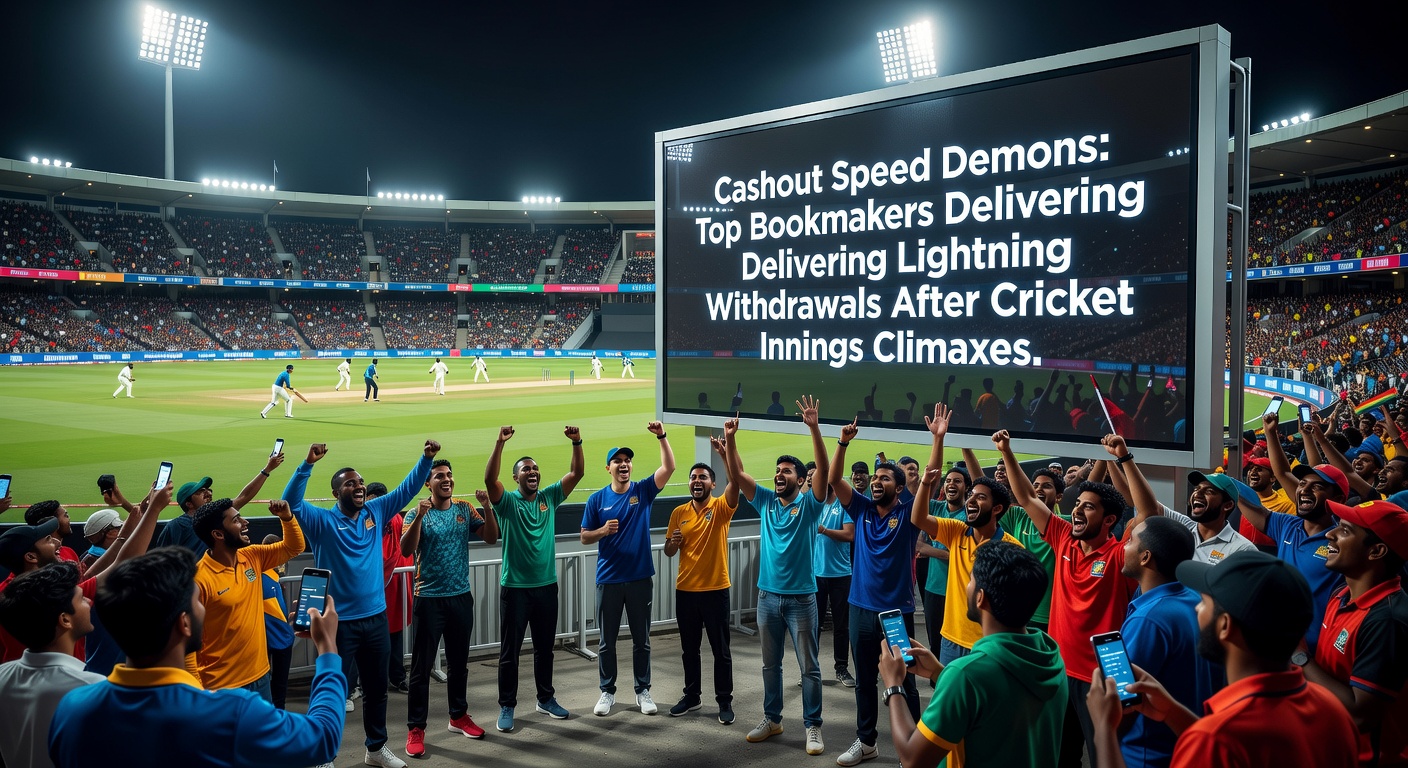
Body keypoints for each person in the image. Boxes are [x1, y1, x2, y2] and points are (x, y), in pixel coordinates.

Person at [48, 547, 347, 768]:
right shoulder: (232, 713)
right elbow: (323, 739)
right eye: (197, 602)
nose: (203, 608)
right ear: (184, 623)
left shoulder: (71, 709)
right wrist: (328, 649)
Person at [1088, 550, 1357, 768]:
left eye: (1203, 602)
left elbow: (1220, 744)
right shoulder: (1332, 710)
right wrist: (1171, 711)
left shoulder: (1213, 740)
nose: (1196, 608)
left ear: (1225, 625)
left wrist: (1104, 731)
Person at [283, 439, 440, 768]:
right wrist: (307, 464)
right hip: (339, 624)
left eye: (360, 481)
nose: (358, 486)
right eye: (350, 483)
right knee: (333, 692)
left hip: (376, 619)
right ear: (337, 491)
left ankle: (375, 749)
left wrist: (426, 459)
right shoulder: (322, 522)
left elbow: (406, 490)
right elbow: (291, 501)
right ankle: (323, 756)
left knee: (376, 689)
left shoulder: (375, 510)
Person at [994, 430, 1147, 768]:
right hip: (1060, 673)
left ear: (1109, 520)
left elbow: (1148, 513)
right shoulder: (1063, 537)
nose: (1077, 511)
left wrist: (1123, 458)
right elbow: (1026, 497)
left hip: (1103, 679)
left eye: (1087, 507)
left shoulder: (1121, 556)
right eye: (1076, 504)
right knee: (1060, 757)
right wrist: (1006, 451)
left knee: (1105, 757)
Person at [880, 541, 1067, 768]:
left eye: (971, 579)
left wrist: (893, 686)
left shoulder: (966, 676)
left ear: (980, 598)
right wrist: (940, 672)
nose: (967, 586)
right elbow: (997, 713)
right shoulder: (1051, 657)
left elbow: (912, 758)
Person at [726, 395, 829, 756]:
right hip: (767, 597)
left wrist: (814, 428)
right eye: (778, 469)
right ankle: (773, 719)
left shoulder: (811, 505)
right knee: (771, 665)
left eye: (787, 471)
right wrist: (732, 438)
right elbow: (738, 475)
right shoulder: (767, 500)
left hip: (802, 598)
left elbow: (825, 476)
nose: (779, 474)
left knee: (809, 668)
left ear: (801, 480)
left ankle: (813, 727)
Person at [829, 414, 933, 767]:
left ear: (899, 488)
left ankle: (920, 746)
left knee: (909, 679)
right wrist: (842, 443)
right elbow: (833, 479)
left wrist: (937, 439)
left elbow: (928, 484)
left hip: (896, 614)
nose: (876, 482)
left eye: (884, 478)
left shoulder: (907, 514)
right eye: (875, 477)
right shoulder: (859, 508)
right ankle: (866, 741)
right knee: (864, 682)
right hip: (860, 607)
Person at [484, 424, 583, 732]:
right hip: (515, 589)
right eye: (526, 469)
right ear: (516, 477)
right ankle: (507, 706)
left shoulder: (549, 497)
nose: (533, 472)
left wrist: (576, 442)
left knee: (544, 648)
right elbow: (490, 480)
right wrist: (499, 443)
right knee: (510, 652)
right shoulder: (508, 503)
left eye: (536, 469)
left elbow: (576, 474)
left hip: (546, 587)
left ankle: (546, 699)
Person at [400, 461, 499, 758]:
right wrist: (419, 515)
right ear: (428, 484)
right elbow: (406, 549)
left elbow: (492, 537)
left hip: (460, 598)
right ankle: (416, 728)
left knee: (459, 664)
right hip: (428, 599)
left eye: (449, 476)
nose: (447, 480)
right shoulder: (416, 512)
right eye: (439, 476)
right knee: (421, 668)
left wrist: (488, 507)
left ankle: (458, 716)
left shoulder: (464, 508)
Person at [1300, 499, 1408, 766]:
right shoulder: (1341, 595)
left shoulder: (1388, 620)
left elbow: (1361, 716)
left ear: (1376, 551)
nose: (1329, 534)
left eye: (1345, 531)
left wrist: (1299, 657)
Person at [581, 421, 675, 716]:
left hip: (639, 579)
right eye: (617, 462)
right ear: (607, 468)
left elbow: (668, 468)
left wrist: (661, 436)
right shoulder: (597, 499)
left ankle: (643, 691)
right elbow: (584, 536)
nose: (623, 465)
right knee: (607, 642)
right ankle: (607, 691)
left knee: (641, 641)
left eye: (627, 461)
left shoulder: (643, 491)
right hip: (608, 579)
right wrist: (602, 532)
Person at [1117, 515, 1220, 768]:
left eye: (1130, 541)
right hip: (1190, 744)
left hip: (1150, 754)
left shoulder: (1149, 619)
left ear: (1145, 557)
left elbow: (1125, 702)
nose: (1123, 547)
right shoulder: (1197, 600)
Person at [1249, 411, 1348, 650]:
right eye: (1302, 483)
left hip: (1315, 652)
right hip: (1273, 641)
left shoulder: (1345, 544)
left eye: (1318, 487)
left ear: (1337, 499)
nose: (1304, 489)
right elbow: (1282, 473)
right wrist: (1271, 433)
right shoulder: (1287, 525)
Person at [189, 498, 305, 697]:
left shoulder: (252, 556)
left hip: (260, 678)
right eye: (236, 520)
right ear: (218, 534)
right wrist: (197, 692)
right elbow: (188, 644)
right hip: (221, 687)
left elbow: (293, 547)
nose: (245, 523)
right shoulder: (198, 580)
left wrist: (287, 518)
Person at [663, 437, 739, 723]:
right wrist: (674, 542)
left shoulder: (720, 508)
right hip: (686, 591)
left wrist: (725, 451)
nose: (697, 481)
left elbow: (737, 485)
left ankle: (724, 701)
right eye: (693, 477)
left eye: (703, 477)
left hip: (716, 590)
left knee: (721, 651)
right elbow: (669, 550)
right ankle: (692, 696)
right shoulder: (678, 513)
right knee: (689, 649)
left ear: (713, 484)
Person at [0, 562, 104, 768]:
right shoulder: (94, 688)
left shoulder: (2, 675)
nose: (90, 601)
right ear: (65, 619)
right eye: (81, 598)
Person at [1109, 442, 1257, 565]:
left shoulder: (1242, 550)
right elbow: (1139, 501)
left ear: (1228, 505)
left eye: (1209, 491)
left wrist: (1125, 457)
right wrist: (1110, 458)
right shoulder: (1184, 528)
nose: (1197, 493)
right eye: (1197, 489)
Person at [155, 450, 287, 555]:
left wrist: (267, 469)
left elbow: (244, 496)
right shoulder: (176, 526)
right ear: (189, 503)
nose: (209, 493)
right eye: (200, 492)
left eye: (208, 490)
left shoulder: (217, 514)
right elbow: (160, 561)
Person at [815, 460, 856, 688]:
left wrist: (824, 530)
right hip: (816, 573)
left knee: (842, 625)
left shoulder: (843, 505)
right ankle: (810, 670)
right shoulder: (814, 504)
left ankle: (841, 668)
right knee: (814, 625)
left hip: (840, 573)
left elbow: (850, 535)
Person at [260, 535, 295, 710]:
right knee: (273, 685)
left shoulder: (272, 575)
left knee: (275, 685)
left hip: (279, 637)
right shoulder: (260, 575)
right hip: (274, 638)